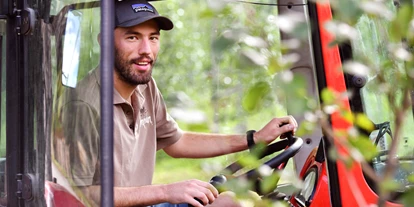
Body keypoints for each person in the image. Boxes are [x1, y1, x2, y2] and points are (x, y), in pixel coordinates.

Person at [58, 0, 298, 206]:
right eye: (132, 37)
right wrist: (165, 191)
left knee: (230, 201)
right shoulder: (82, 105)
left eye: (153, 38)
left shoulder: (145, 86)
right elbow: (78, 195)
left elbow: (177, 141)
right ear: (104, 41)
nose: (146, 50)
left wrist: (253, 139)